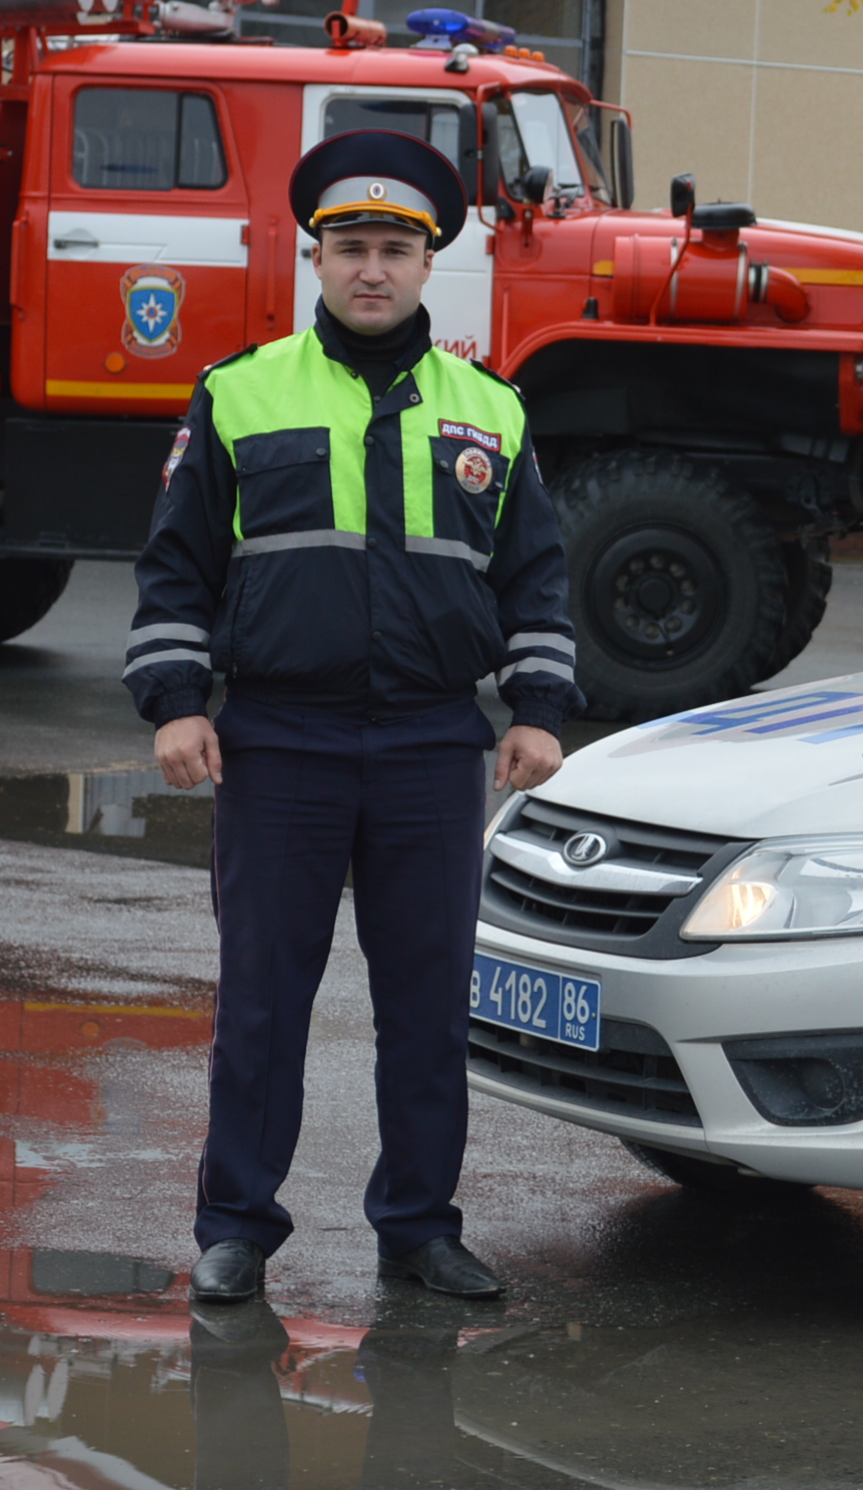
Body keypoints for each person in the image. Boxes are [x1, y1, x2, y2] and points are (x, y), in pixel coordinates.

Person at [125, 129, 577, 1305]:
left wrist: (535, 708)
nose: (370, 269)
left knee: (427, 1006)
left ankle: (418, 1226)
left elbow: (535, 577)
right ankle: (235, 1226)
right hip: (280, 739)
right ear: (314, 263)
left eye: (392, 249)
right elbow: (175, 569)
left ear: (428, 267)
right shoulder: (239, 391)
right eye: (348, 248)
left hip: (433, 742)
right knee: (264, 999)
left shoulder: (492, 409)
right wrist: (176, 702)